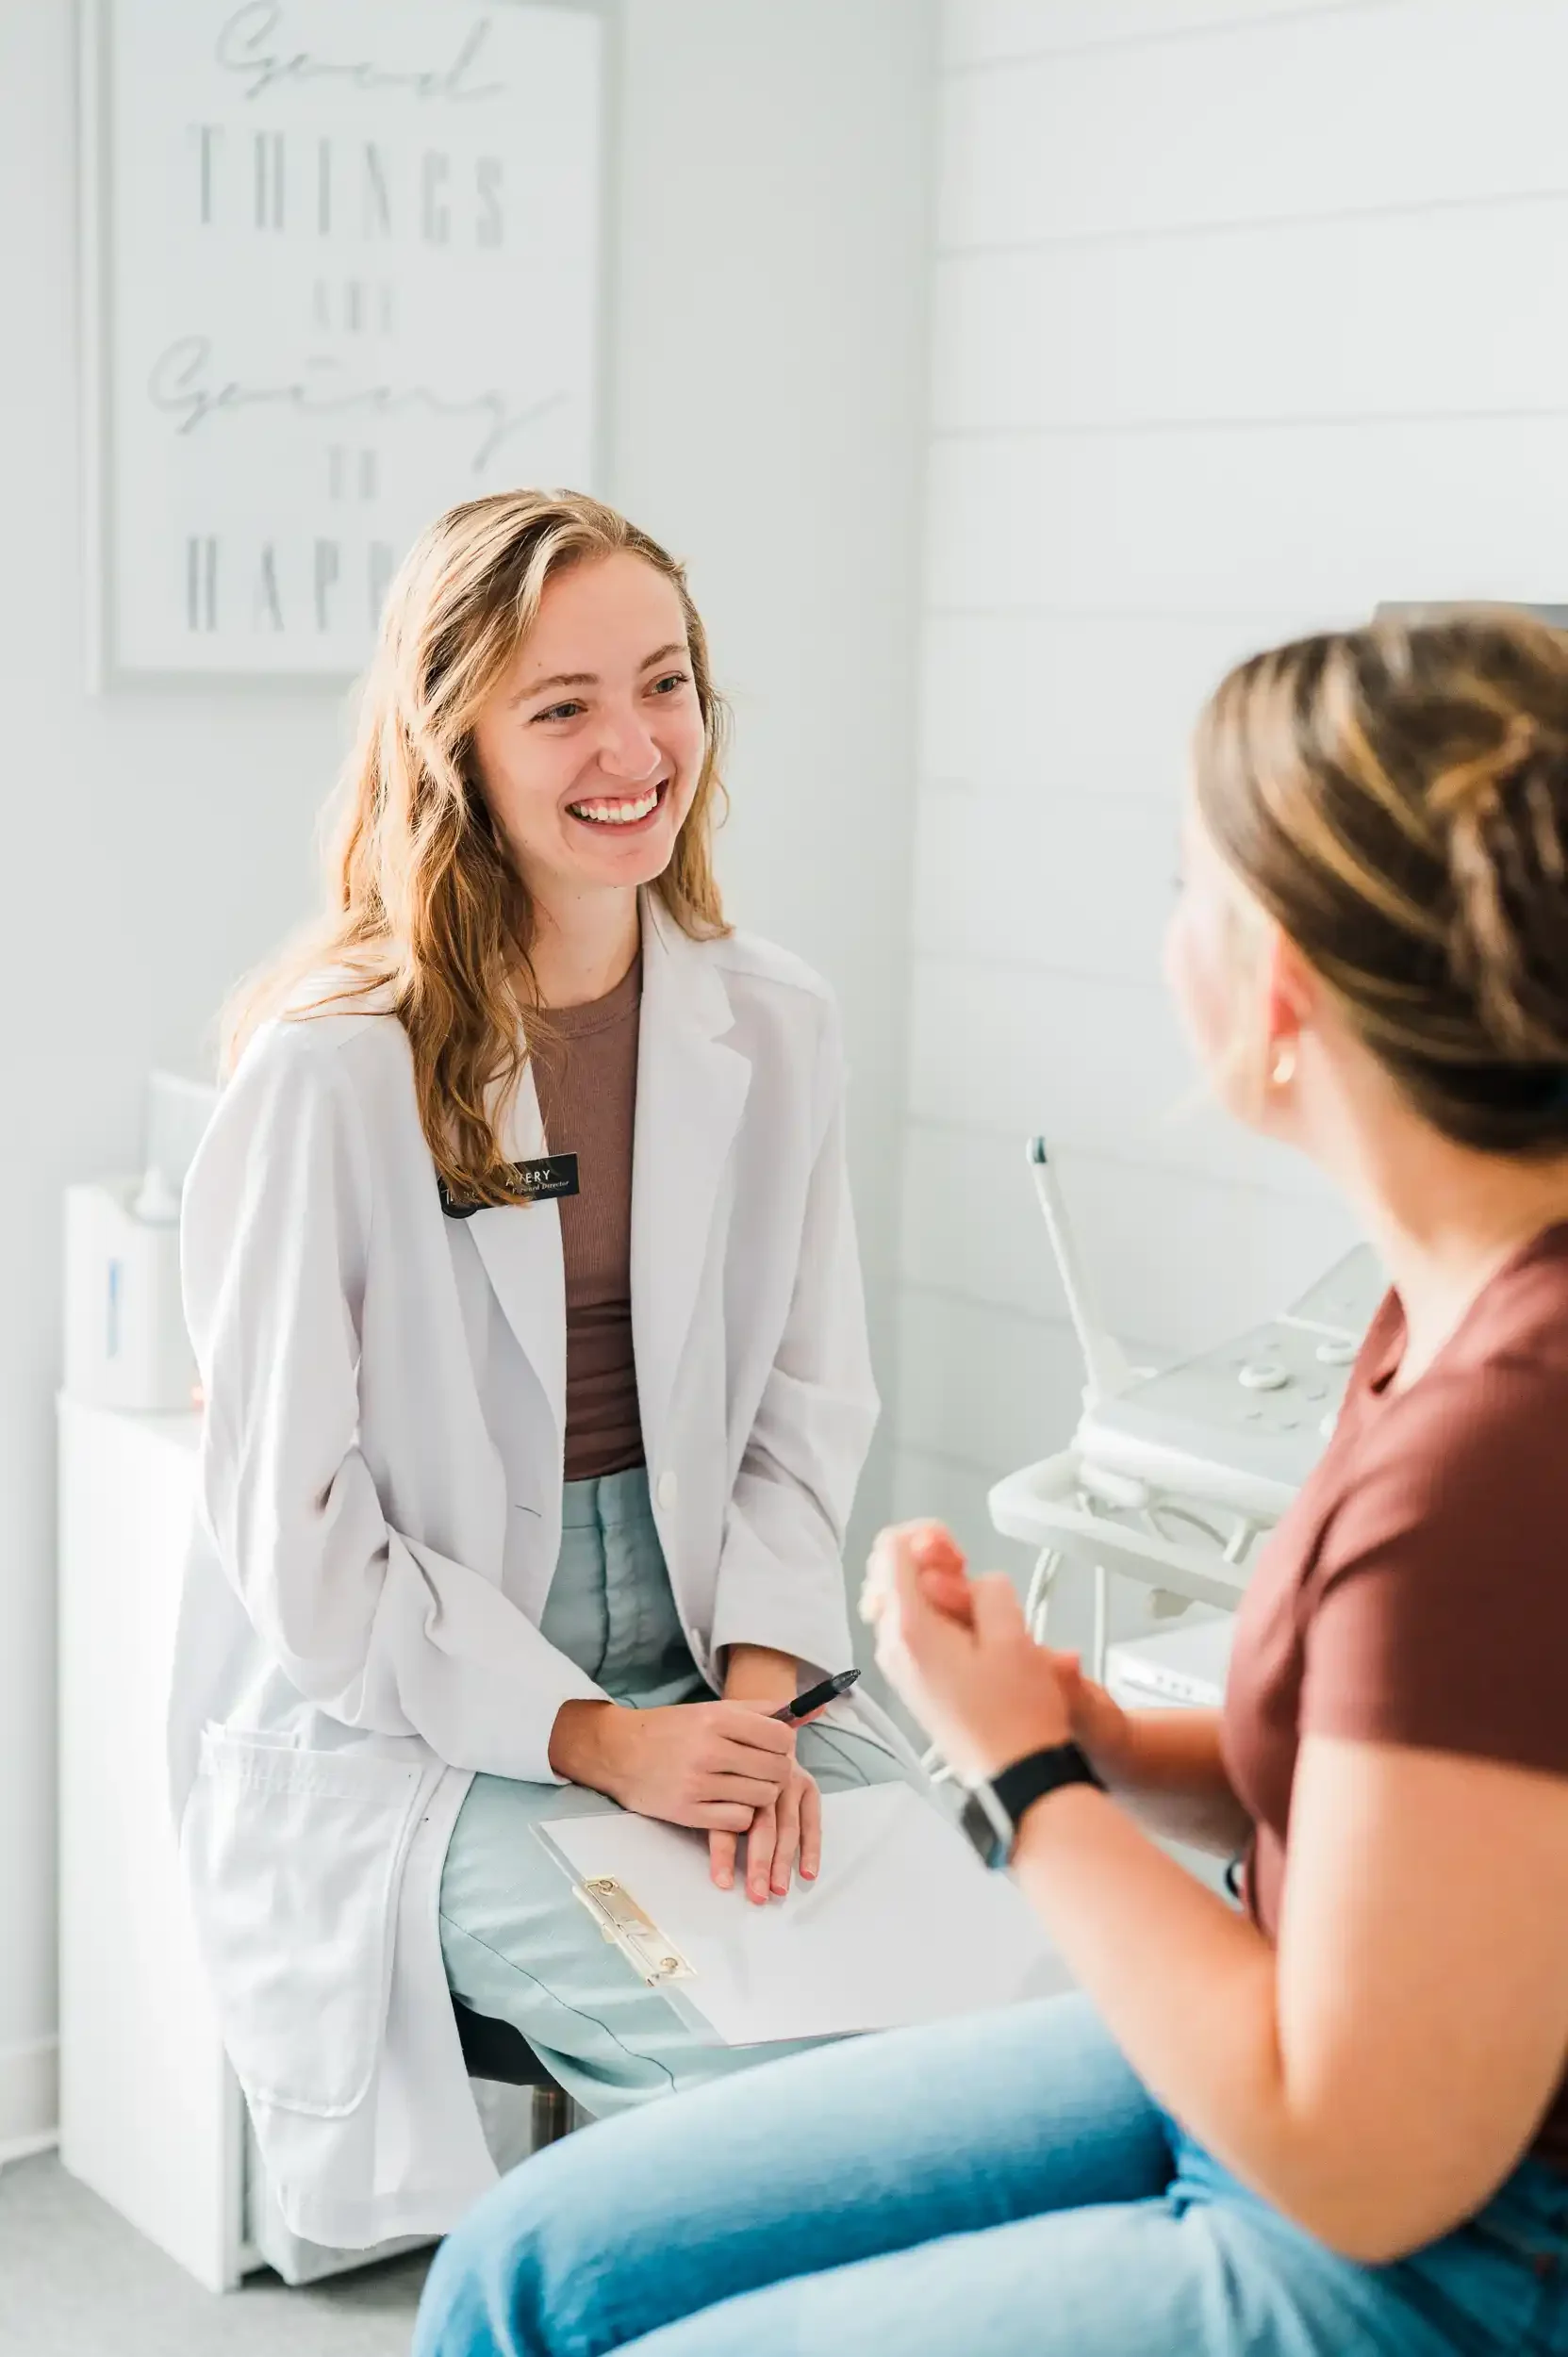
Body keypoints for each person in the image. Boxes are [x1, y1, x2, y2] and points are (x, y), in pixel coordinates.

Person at [413, 608, 1568, 2357]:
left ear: (1278, 993)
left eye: (1190, 884)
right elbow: (1380, 1801)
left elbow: (1367, 2161)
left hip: (1405, 2245)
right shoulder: (1437, 1310)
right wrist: (1087, 1731)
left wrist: (1022, 1778)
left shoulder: (1497, 1464)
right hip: (1276, 2041)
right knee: (528, 2273)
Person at [168, 489, 918, 2255]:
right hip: (415, 1714)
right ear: (458, 745)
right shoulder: (331, 1076)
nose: (632, 746)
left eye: (664, 684)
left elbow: (805, 1417)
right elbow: (300, 1543)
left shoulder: (774, 1022)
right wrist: (599, 1742)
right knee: (784, 2112)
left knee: (1002, 2010)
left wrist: (741, 1716)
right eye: (560, 703)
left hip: (718, 1631)